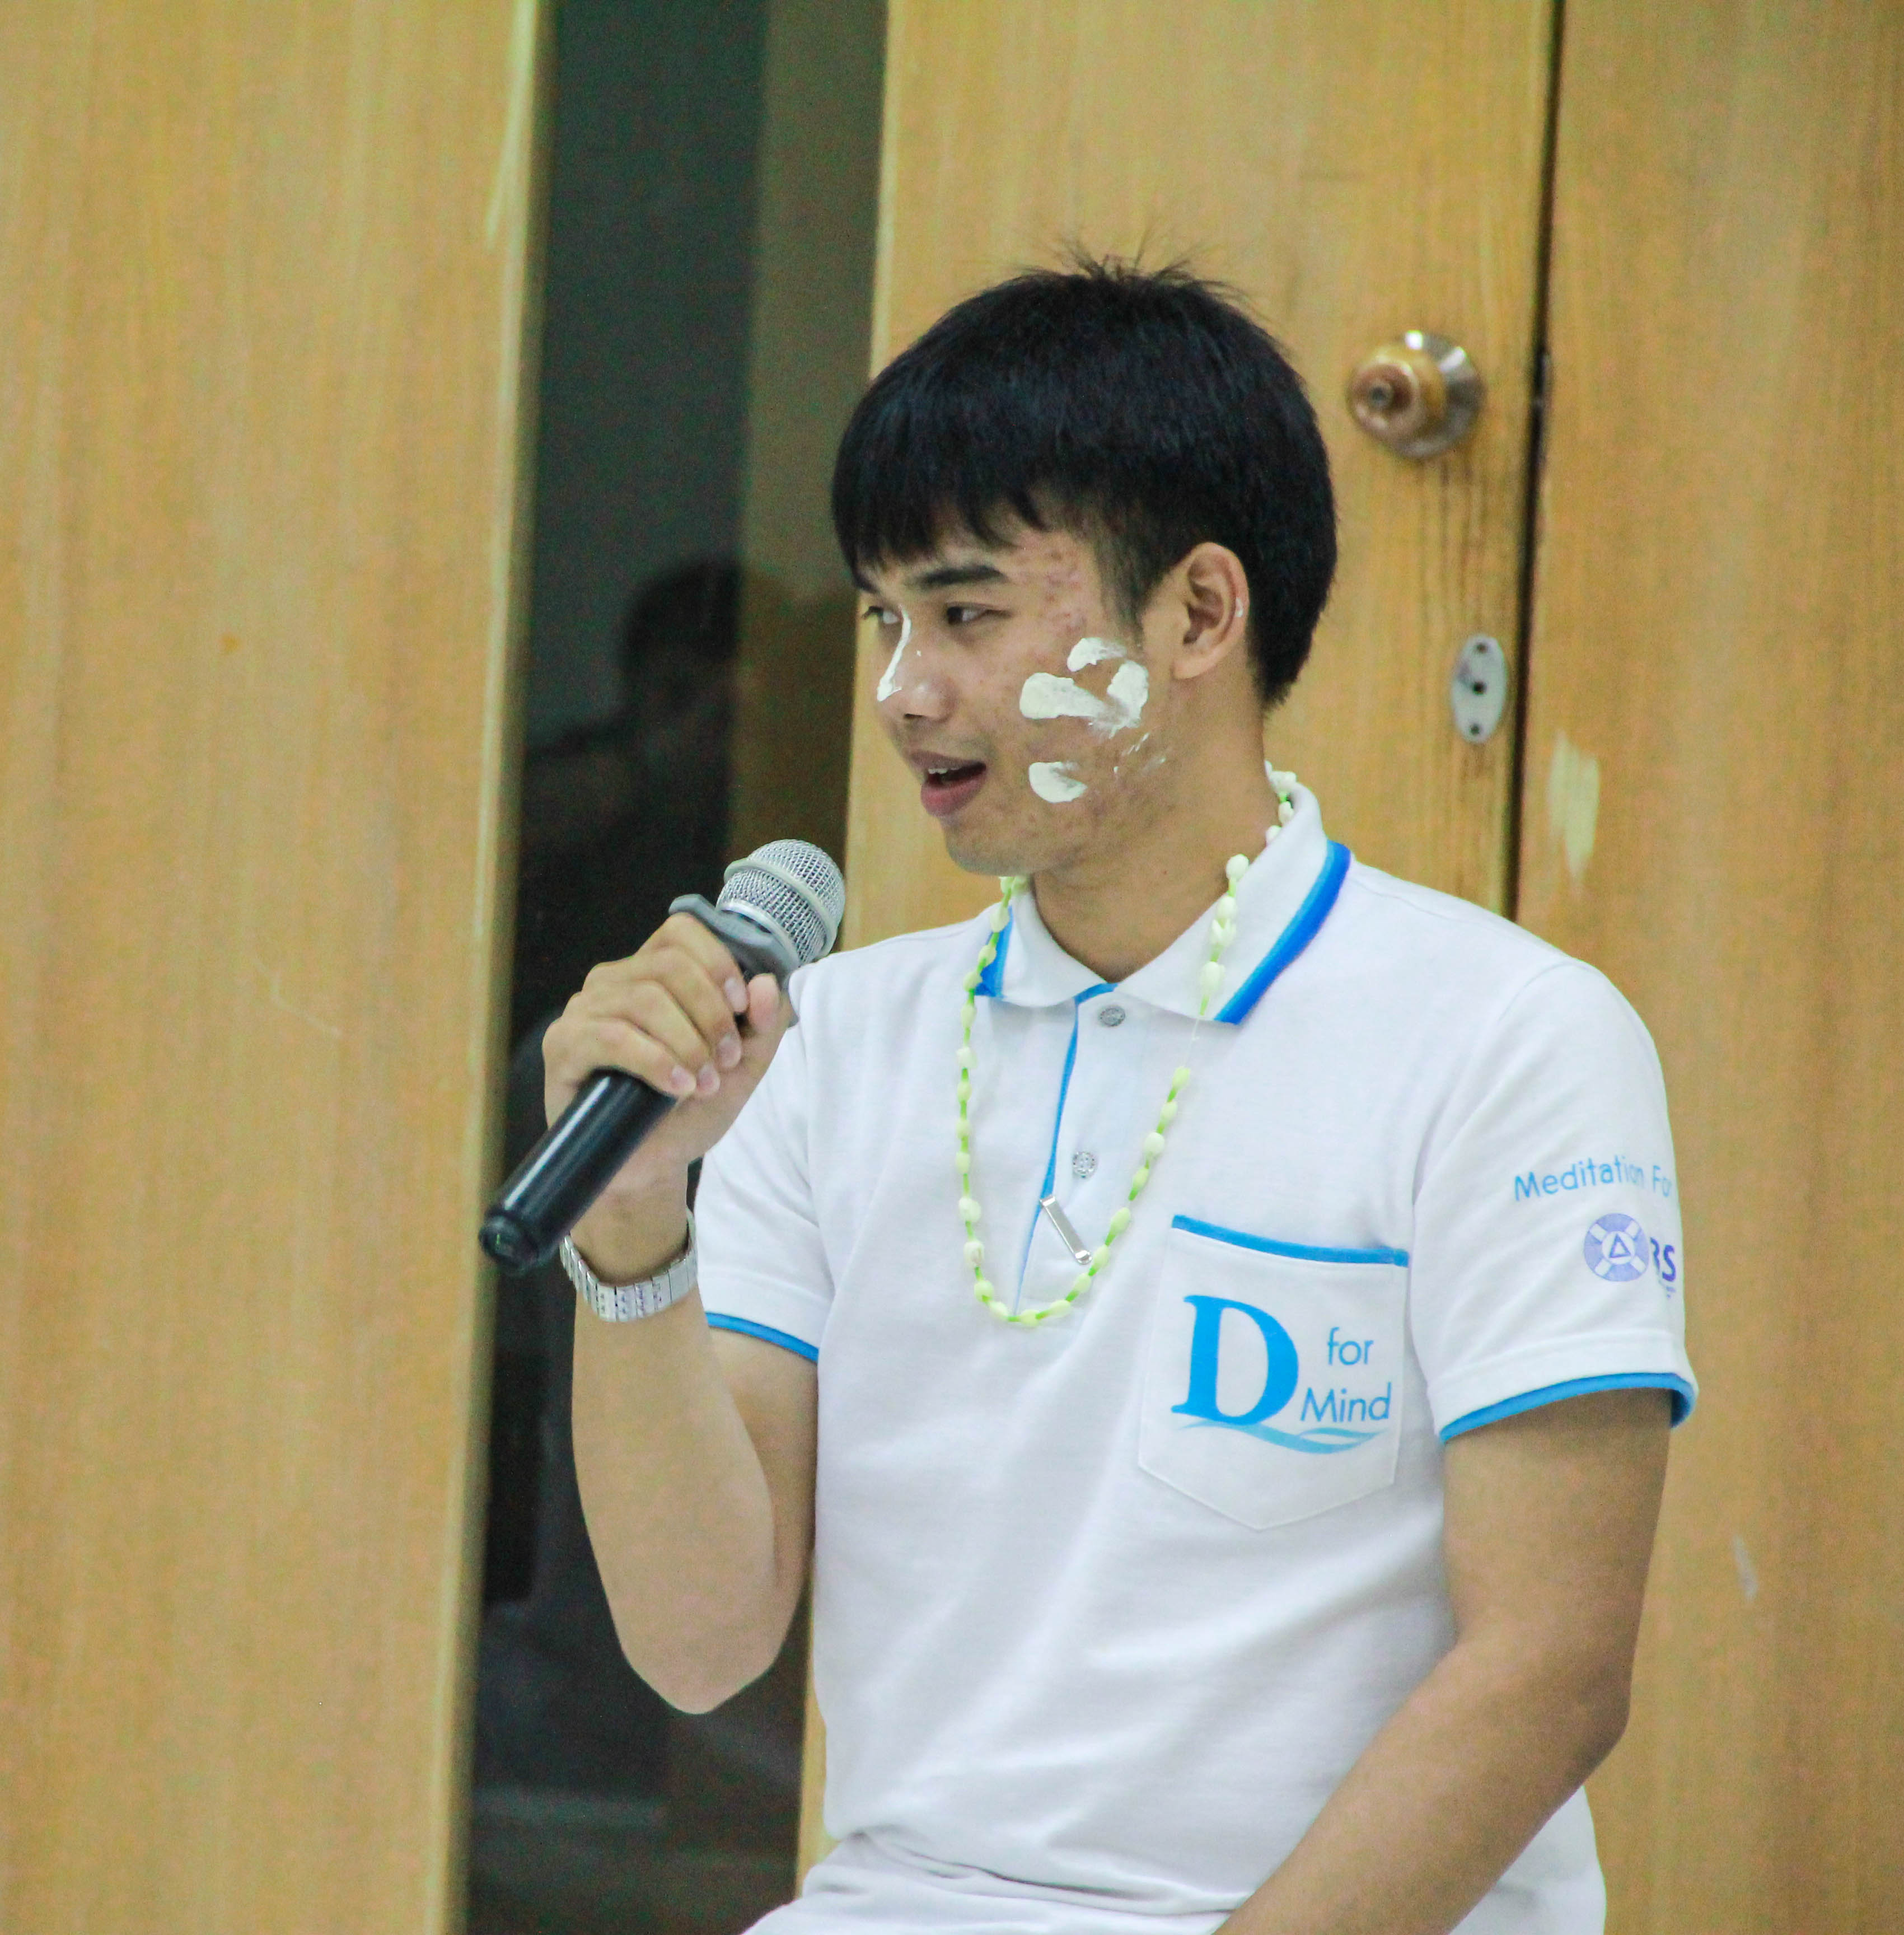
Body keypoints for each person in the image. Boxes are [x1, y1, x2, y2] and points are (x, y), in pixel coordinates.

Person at [543, 259, 1695, 1935]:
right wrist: (636, 1223)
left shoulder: (1510, 1038)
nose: (903, 690)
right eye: (883, 618)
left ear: (1200, 616)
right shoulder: (829, 1040)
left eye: (968, 614)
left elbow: (1552, 1672)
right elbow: (701, 1644)